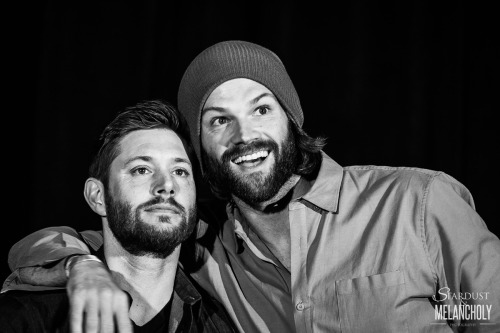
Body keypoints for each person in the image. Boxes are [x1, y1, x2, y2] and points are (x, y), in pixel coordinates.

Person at [4, 41, 500, 332]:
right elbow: (99, 239)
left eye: (261, 109)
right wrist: (82, 266)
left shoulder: (416, 203)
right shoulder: (210, 252)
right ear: (201, 149)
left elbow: (483, 311)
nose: (245, 137)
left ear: (291, 119)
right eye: (219, 120)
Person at [0, 100, 236, 332]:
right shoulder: (32, 316)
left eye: (180, 171)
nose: (167, 185)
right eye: (141, 170)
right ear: (98, 197)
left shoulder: (217, 324)